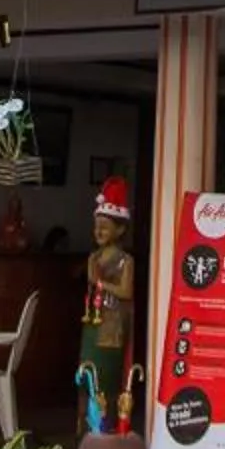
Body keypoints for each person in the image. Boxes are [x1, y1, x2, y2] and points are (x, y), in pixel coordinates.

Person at [79, 176, 136, 435]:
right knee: (86, 378)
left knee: (107, 381)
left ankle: (107, 431)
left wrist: (100, 284)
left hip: (113, 328)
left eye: (105, 226)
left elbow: (126, 291)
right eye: (96, 226)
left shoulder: (126, 261)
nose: (98, 231)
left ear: (120, 229)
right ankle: (84, 431)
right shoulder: (94, 257)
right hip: (92, 323)